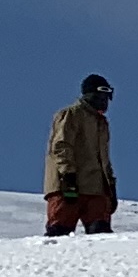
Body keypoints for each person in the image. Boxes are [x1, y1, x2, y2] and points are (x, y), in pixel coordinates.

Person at [43, 73, 117, 235]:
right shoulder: (71, 114)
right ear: (89, 95)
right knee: (60, 231)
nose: (104, 101)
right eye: (100, 97)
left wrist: (110, 185)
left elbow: (104, 157)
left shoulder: (102, 123)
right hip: (68, 185)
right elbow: (61, 146)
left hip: (96, 188)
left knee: (101, 233)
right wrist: (68, 175)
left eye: (106, 98)